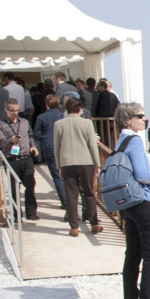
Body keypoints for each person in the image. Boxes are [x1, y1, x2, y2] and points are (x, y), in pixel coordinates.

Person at [115, 101, 150, 299]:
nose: (144, 119)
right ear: (128, 119)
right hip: (142, 201)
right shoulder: (135, 141)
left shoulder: (120, 141)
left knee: (133, 253)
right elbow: (142, 175)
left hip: (127, 204)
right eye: (140, 115)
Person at [54, 96, 104, 237]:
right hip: (85, 161)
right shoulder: (87, 123)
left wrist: (59, 166)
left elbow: (56, 147)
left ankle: (74, 227)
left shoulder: (58, 124)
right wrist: (97, 164)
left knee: (71, 195)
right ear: (79, 109)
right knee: (89, 193)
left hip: (67, 162)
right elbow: (92, 145)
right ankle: (94, 223)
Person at [0, 98, 39, 221]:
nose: (15, 113)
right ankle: (16, 214)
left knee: (30, 184)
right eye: (12, 110)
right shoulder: (1, 125)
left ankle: (31, 212)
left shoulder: (24, 122)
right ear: (6, 110)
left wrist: (33, 146)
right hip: (12, 159)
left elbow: (30, 135)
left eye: (17, 110)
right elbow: (1, 142)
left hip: (26, 157)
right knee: (14, 188)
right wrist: (11, 140)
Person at [32, 94, 67, 207]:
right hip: (63, 145)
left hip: (49, 146)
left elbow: (36, 134)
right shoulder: (63, 115)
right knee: (67, 174)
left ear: (46, 105)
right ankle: (70, 201)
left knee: (57, 176)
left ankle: (65, 202)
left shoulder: (41, 117)